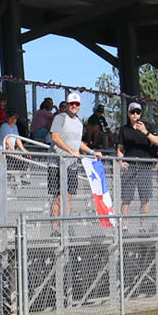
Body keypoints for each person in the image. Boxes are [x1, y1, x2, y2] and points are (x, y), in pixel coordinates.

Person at [48, 92, 100, 226]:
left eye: (77, 104)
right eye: (72, 103)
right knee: (58, 197)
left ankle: (65, 228)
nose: (74, 106)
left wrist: (92, 151)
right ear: (67, 105)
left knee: (69, 197)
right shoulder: (60, 118)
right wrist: (70, 151)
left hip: (71, 164)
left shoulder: (79, 122)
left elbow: (78, 143)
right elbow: (55, 137)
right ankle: (55, 229)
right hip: (57, 163)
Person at [116, 101, 158, 224]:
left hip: (145, 167)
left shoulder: (147, 126)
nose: (135, 115)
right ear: (128, 113)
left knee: (145, 198)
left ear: (141, 114)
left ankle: (143, 226)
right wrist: (121, 162)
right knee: (126, 198)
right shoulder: (124, 129)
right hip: (130, 166)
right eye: (132, 112)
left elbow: (157, 142)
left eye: (138, 112)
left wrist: (145, 131)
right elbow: (120, 149)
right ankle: (124, 227)